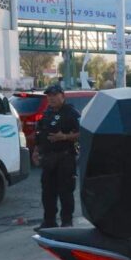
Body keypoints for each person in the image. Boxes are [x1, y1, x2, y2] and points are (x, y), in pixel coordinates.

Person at [32, 84, 80, 229]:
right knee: (47, 193)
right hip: (48, 159)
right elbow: (40, 134)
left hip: (65, 158)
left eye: (54, 95)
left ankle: (67, 222)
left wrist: (64, 137)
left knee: (65, 192)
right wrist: (36, 151)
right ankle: (49, 222)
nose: (51, 98)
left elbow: (82, 132)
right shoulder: (47, 113)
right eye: (49, 96)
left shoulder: (71, 113)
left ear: (62, 96)